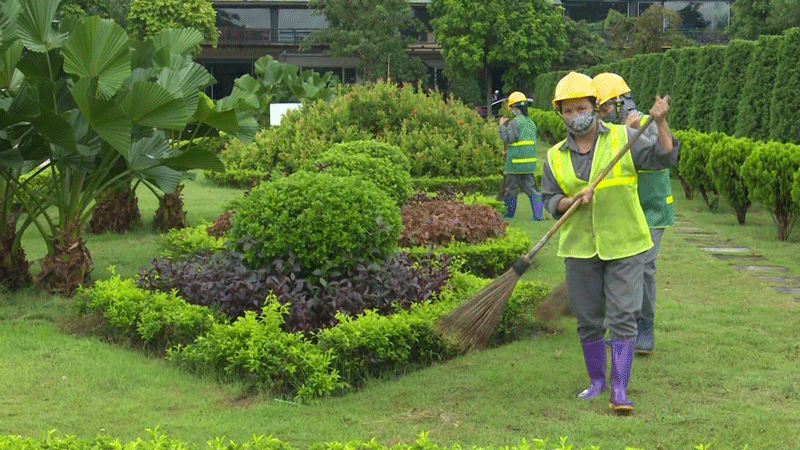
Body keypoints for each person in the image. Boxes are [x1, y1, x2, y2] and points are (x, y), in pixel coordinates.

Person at [540, 71, 679, 413]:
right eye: (568, 111)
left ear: (596, 106)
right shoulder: (555, 156)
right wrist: (568, 201)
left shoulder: (624, 138)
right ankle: (597, 381)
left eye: (581, 107)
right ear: (560, 113)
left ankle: (619, 388)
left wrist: (660, 124)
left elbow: (664, 158)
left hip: (625, 244)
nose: (575, 116)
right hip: (580, 248)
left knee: (622, 316)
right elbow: (549, 200)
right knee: (588, 318)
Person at [594, 72, 675, 356]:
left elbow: (665, 154)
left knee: (645, 269)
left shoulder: (646, 124)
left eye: (604, 108)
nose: (601, 115)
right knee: (619, 269)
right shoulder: (608, 133)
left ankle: (645, 328)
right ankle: (621, 327)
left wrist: (639, 130)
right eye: (598, 109)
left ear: (620, 103)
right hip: (626, 210)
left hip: (651, 209)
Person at [498, 91, 544, 221]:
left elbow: (508, 138)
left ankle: (508, 214)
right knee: (531, 190)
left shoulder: (514, 123)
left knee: (511, 192)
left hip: (515, 164)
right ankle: (538, 215)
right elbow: (524, 143)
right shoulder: (531, 123)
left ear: (514, 108)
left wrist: (502, 126)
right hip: (528, 164)